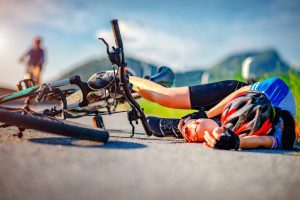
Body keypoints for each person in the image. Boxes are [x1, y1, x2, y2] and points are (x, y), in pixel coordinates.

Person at [129, 76, 299, 150]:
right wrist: (206, 114)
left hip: (237, 118)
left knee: (210, 133)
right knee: (167, 98)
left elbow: (261, 141)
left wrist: (234, 142)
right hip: (234, 95)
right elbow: (238, 95)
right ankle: (122, 77)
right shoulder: (273, 86)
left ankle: (186, 127)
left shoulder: (284, 133)